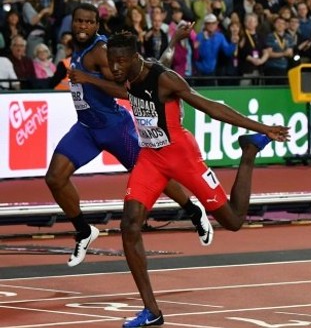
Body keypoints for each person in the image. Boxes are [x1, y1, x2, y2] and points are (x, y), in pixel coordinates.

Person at [69, 31, 290, 327]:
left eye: (121, 62)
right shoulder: (130, 74)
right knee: (129, 224)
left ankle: (249, 149)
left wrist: (262, 127)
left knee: (233, 221)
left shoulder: (165, 79)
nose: (116, 68)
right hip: (151, 158)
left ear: (135, 57)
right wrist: (92, 79)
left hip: (182, 155)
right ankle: (152, 311)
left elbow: (211, 106)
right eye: (112, 62)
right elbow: (129, 88)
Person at [45, 4, 212, 268]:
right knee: (54, 177)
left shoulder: (101, 52)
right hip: (86, 128)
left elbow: (128, 92)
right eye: (79, 21)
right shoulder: (78, 48)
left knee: (153, 172)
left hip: (114, 128)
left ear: (96, 26)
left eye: (89, 22)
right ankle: (84, 231)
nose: (82, 26)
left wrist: (89, 80)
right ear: (72, 23)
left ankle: (193, 211)